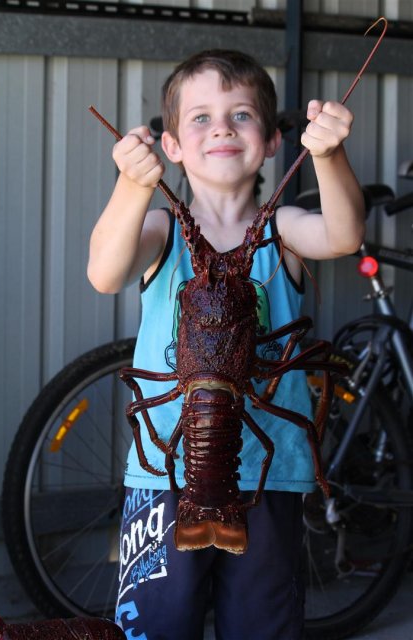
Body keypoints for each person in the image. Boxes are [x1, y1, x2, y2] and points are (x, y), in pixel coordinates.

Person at [88, 50, 365, 640]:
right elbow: (106, 272)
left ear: (270, 141)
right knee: (156, 628)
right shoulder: (163, 231)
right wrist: (131, 189)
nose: (221, 127)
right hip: (166, 478)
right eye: (201, 117)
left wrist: (329, 156)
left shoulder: (282, 229)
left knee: (262, 626)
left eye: (241, 115)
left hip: (270, 473)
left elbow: (342, 235)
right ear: (172, 147)